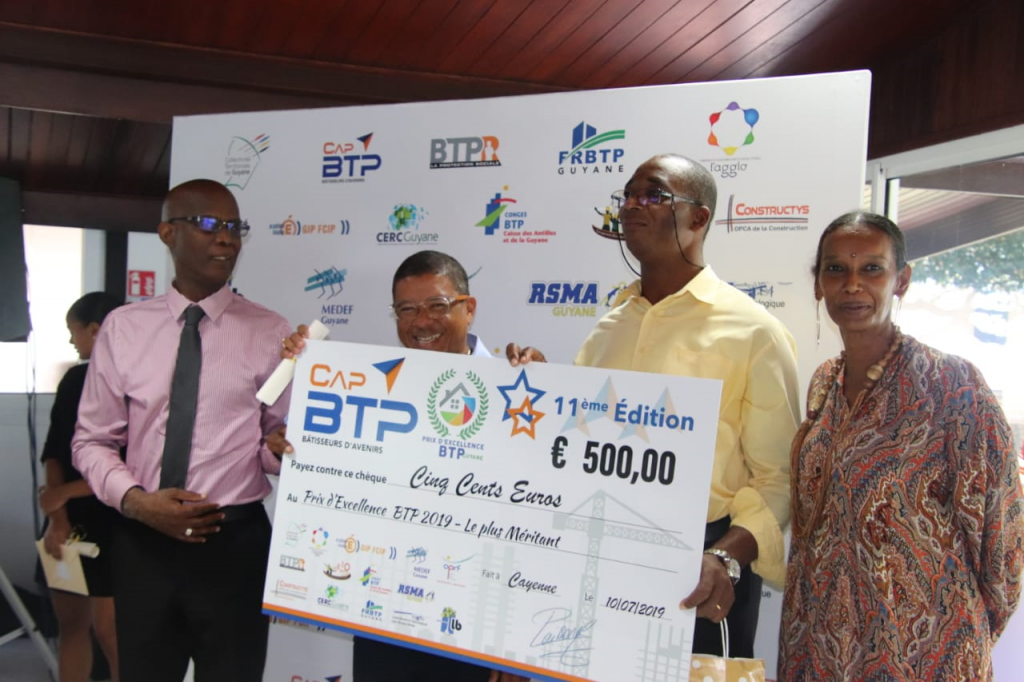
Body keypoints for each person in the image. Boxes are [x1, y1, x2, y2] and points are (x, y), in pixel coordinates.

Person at [507, 154, 800, 658]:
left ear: (699, 218)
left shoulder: (755, 332)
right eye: (627, 195)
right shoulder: (609, 328)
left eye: (653, 195)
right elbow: (581, 447)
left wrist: (724, 558)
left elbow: (780, 479)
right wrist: (544, 388)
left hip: (703, 570)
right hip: (600, 557)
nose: (632, 206)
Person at [780, 212, 1024, 680]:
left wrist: (960, 633)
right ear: (818, 285)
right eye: (836, 269)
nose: (853, 284)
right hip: (823, 650)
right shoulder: (824, 384)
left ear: (902, 281)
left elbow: (1003, 543)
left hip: (926, 653)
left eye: (872, 268)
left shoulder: (953, 386)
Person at [72, 179, 293, 682]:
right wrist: (135, 502)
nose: (227, 238)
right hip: (143, 540)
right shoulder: (123, 328)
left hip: (234, 544)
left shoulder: (272, 332)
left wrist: (282, 450)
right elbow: (92, 440)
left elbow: (271, 445)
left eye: (235, 227)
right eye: (209, 224)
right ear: (168, 233)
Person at [279, 250, 524, 682]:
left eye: (437, 305)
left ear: (469, 308)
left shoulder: (520, 392)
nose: (421, 322)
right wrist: (303, 374)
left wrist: (516, 645)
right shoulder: (373, 390)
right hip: (384, 615)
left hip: (478, 630)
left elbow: (534, 530)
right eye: (406, 309)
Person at [38, 292, 123, 682]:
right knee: (72, 623)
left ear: (96, 329)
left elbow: (130, 467)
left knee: (110, 630)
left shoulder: (137, 381)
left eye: (74, 332)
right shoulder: (74, 380)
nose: (71, 341)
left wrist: (65, 495)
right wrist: (58, 518)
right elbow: (54, 452)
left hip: (116, 517)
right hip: (70, 519)